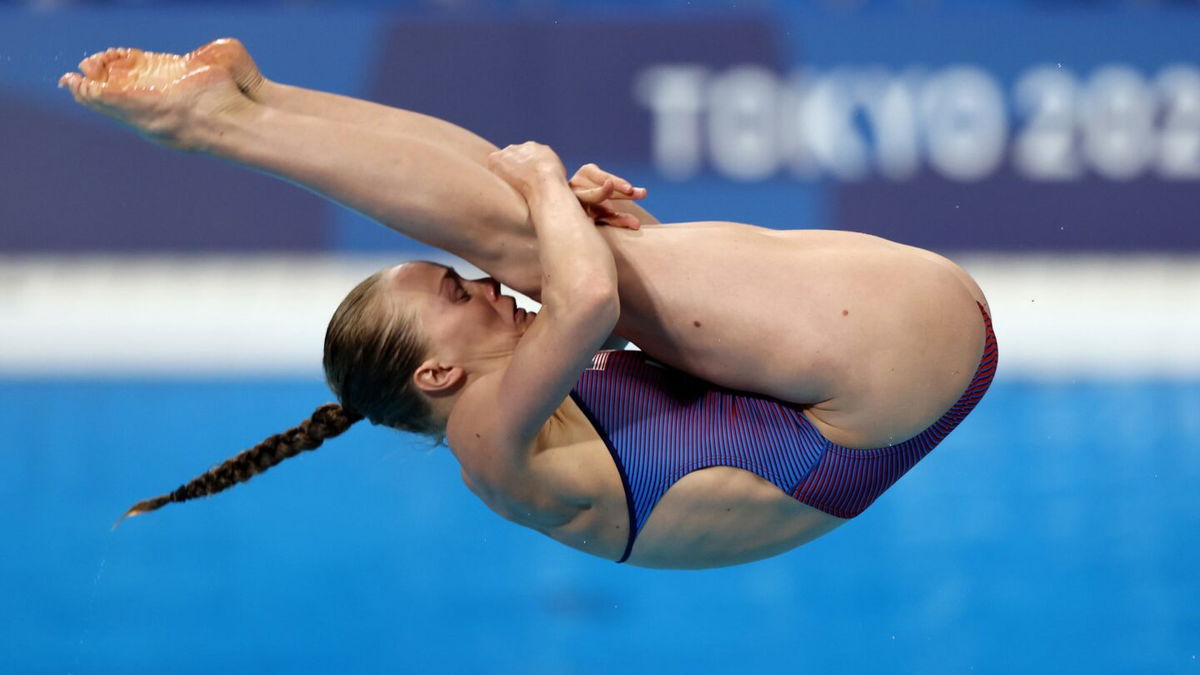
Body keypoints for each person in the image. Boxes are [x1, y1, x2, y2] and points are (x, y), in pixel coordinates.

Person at [61, 40, 997, 569]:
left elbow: (698, 369)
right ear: (437, 372)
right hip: (884, 385)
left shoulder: (519, 390)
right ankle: (215, 121)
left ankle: (257, 94)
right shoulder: (488, 447)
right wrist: (551, 185)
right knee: (524, 230)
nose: (489, 293)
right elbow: (584, 298)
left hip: (879, 385)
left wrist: (592, 216)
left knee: (539, 228)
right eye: (460, 297)